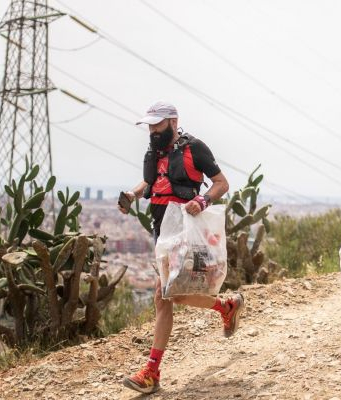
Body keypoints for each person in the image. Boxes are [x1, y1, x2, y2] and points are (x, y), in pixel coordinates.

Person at [118, 101, 244, 393]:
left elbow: (221, 183)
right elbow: (149, 183)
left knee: (165, 298)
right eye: (149, 125)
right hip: (161, 230)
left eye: (157, 125)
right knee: (174, 296)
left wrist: (202, 201)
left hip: (186, 230)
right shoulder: (153, 152)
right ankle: (226, 306)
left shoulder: (194, 148)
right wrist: (131, 195)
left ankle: (151, 372)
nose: (152, 131)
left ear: (173, 122)